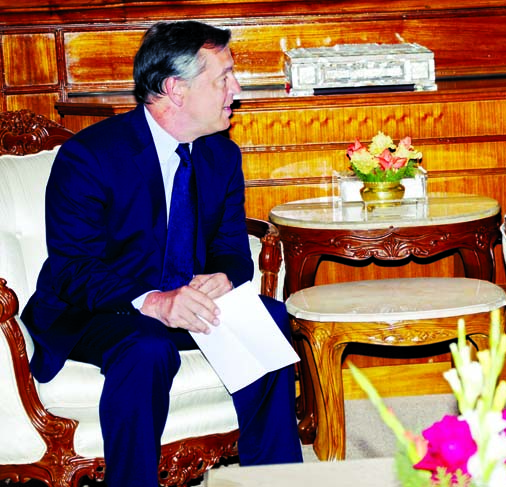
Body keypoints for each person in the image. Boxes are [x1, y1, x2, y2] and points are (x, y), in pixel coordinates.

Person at [22, 20, 302, 486]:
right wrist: (153, 301)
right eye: (223, 78)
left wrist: (224, 278)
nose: (236, 89)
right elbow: (73, 269)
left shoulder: (220, 155)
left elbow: (231, 247)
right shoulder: (91, 157)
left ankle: (274, 479)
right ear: (176, 89)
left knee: (270, 317)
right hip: (99, 309)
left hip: (188, 304)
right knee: (146, 348)